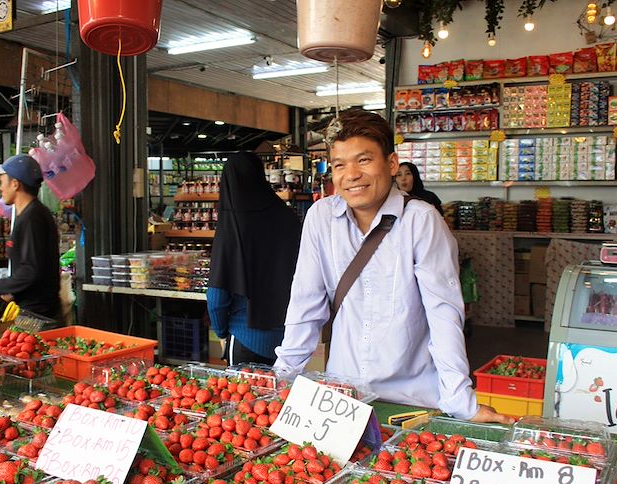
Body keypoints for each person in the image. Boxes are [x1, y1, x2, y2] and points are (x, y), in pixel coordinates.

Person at [273, 109, 512, 424]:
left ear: (391, 164)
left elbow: (443, 314)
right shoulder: (321, 218)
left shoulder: (421, 221)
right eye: (339, 165)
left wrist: (460, 400)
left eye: (363, 160)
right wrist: (281, 380)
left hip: (410, 401)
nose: (351, 175)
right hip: (344, 398)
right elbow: (306, 303)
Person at [207, 152, 302, 365]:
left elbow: (217, 298)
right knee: (280, 397)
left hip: (244, 338)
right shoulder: (288, 218)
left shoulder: (232, 227)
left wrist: (221, 333)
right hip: (288, 338)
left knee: (243, 398)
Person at [0, 155, 61, 320]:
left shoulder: (32, 217)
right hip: (31, 309)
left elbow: (30, 270)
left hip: (38, 315)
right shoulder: (28, 213)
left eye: (1, 182)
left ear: (15, 184)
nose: (0, 188)